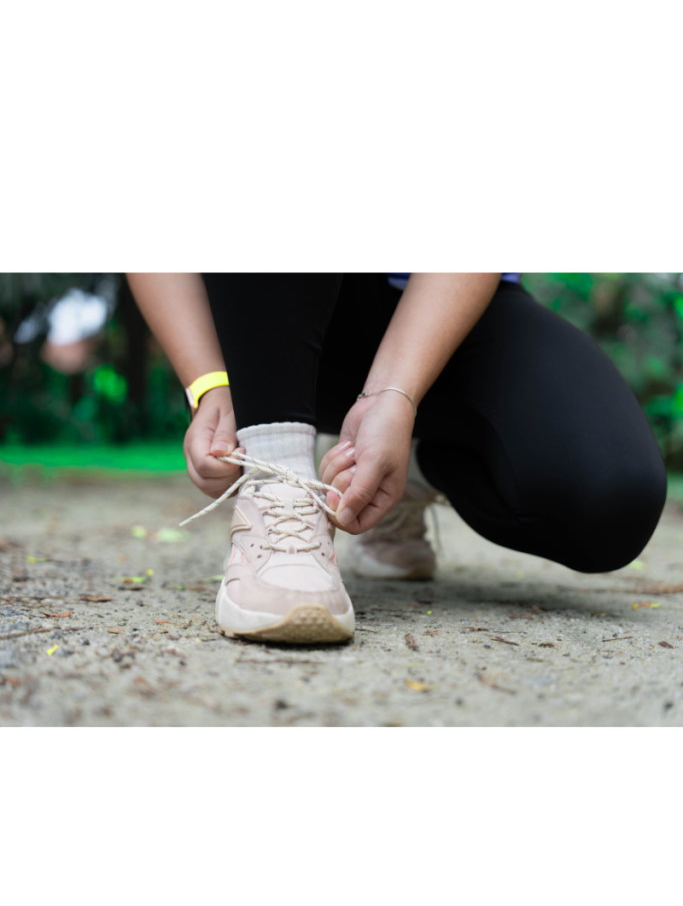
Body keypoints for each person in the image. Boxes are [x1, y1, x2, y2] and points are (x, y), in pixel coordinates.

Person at [127, 273, 667, 645]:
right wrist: (212, 383)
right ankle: (281, 478)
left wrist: (395, 393)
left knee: (611, 498)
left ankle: (402, 472)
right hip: (268, 314)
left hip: (440, 304)